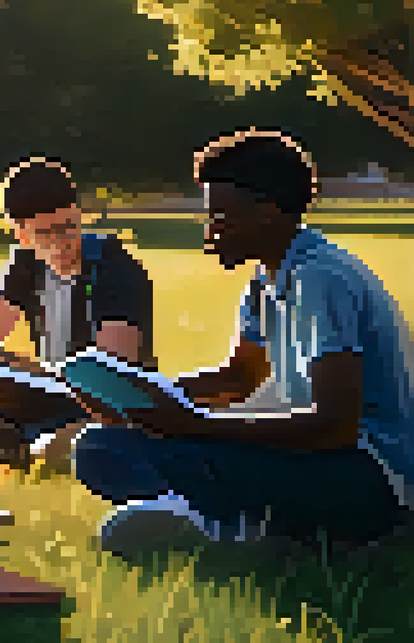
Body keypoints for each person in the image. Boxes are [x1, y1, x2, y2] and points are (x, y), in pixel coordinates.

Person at [73, 129, 414, 558]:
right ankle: (250, 528)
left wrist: (195, 426)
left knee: (132, 455)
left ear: (268, 213)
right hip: (311, 455)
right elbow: (240, 378)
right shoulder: (266, 278)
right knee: (101, 445)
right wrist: (142, 398)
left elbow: (336, 426)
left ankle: (258, 536)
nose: (209, 230)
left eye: (220, 217)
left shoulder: (320, 279)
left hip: (365, 475)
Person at [0, 157, 154, 470]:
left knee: (81, 439)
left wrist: (31, 373)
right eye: (46, 233)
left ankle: (11, 438)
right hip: (47, 392)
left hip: (100, 402)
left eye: (70, 226)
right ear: (21, 234)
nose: (63, 241)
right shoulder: (26, 264)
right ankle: (9, 435)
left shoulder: (115, 269)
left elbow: (111, 370)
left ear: (79, 215)